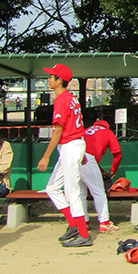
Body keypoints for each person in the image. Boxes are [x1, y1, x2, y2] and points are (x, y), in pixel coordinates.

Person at [38, 64, 93, 247]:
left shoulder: (62, 99)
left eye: (51, 76)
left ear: (59, 80)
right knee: (52, 188)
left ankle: (84, 235)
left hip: (70, 146)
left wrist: (46, 156)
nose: (49, 79)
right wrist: (82, 151)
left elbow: (58, 130)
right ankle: (74, 225)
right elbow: (78, 125)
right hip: (73, 146)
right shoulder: (72, 98)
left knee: (72, 192)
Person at [80, 119, 122, 232]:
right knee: (98, 192)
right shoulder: (108, 132)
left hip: (74, 157)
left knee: (80, 193)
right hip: (87, 160)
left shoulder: (86, 130)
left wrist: (103, 171)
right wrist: (113, 170)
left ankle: (83, 222)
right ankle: (105, 222)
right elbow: (118, 154)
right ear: (107, 126)